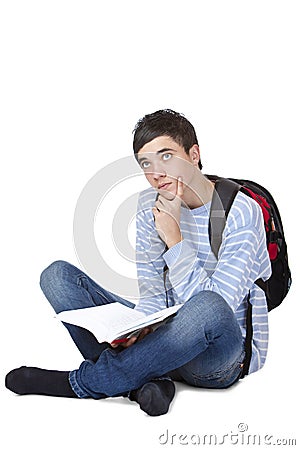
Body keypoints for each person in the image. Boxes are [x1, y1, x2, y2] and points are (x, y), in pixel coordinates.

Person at [5, 109, 271, 416]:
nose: (156, 172)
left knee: (207, 305)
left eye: (167, 156)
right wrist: (138, 329)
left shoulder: (241, 211)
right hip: (165, 341)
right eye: (146, 163)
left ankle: (86, 382)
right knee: (56, 276)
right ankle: (149, 381)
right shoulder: (150, 205)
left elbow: (219, 306)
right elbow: (153, 297)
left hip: (218, 357)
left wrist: (175, 240)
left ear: (194, 154)